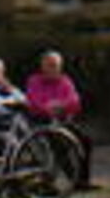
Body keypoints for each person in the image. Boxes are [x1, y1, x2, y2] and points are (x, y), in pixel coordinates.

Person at [24, 48, 94, 189]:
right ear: (42, 66)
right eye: (49, 65)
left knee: (85, 141)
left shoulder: (65, 81)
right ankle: (73, 180)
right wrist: (49, 108)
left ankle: (83, 179)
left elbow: (75, 102)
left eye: (55, 65)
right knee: (59, 144)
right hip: (42, 122)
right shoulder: (34, 81)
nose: (52, 69)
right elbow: (34, 102)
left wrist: (60, 105)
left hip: (62, 121)